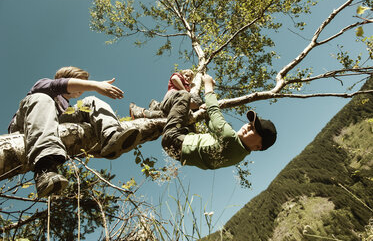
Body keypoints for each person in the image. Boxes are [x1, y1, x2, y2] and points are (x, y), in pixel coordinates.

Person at [8, 66, 141, 197]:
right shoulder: (44, 85)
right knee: (42, 99)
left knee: (90, 101)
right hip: (24, 125)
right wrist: (95, 85)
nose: (82, 89)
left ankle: (111, 136)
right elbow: (59, 85)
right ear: (65, 79)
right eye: (80, 83)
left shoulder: (67, 108)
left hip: (53, 126)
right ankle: (44, 170)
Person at [160, 74, 277, 169]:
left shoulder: (230, 138)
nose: (247, 127)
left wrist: (208, 84)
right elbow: (212, 126)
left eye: (253, 130)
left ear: (257, 147)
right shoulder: (238, 154)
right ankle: (154, 113)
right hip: (183, 145)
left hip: (173, 139)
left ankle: (161, 108)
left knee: (183, 95)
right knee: (194, 108)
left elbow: (214, 111)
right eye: (250, 124)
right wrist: (205, 114)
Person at [129, 69, 201, 119]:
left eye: (190, 78)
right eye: (186, 75)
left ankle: (142, 112)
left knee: (167, 115)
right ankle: (156, 107)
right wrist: (185, 92)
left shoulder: (188, 87)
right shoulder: (179, 77)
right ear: (182, 74)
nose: (188, 78)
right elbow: (174, 79)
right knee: (169, 111)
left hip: (178, 102)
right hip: (173, 95)